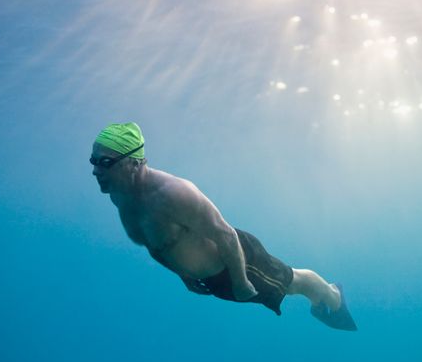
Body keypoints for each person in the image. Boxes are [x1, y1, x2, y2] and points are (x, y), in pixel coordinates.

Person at [90, 122, 357, 331]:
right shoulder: (120, 195)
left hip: (237, 263)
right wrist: (183, 275)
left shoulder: (174, 194)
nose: (95, 171)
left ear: (135, 163)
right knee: (288, 284)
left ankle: (332, 295)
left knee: (293, 282)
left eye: (104, 163)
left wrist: (240, 281)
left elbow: (226, 235)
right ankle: (325, 297)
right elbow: (155, 241)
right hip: (210, 279)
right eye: (94, 162)